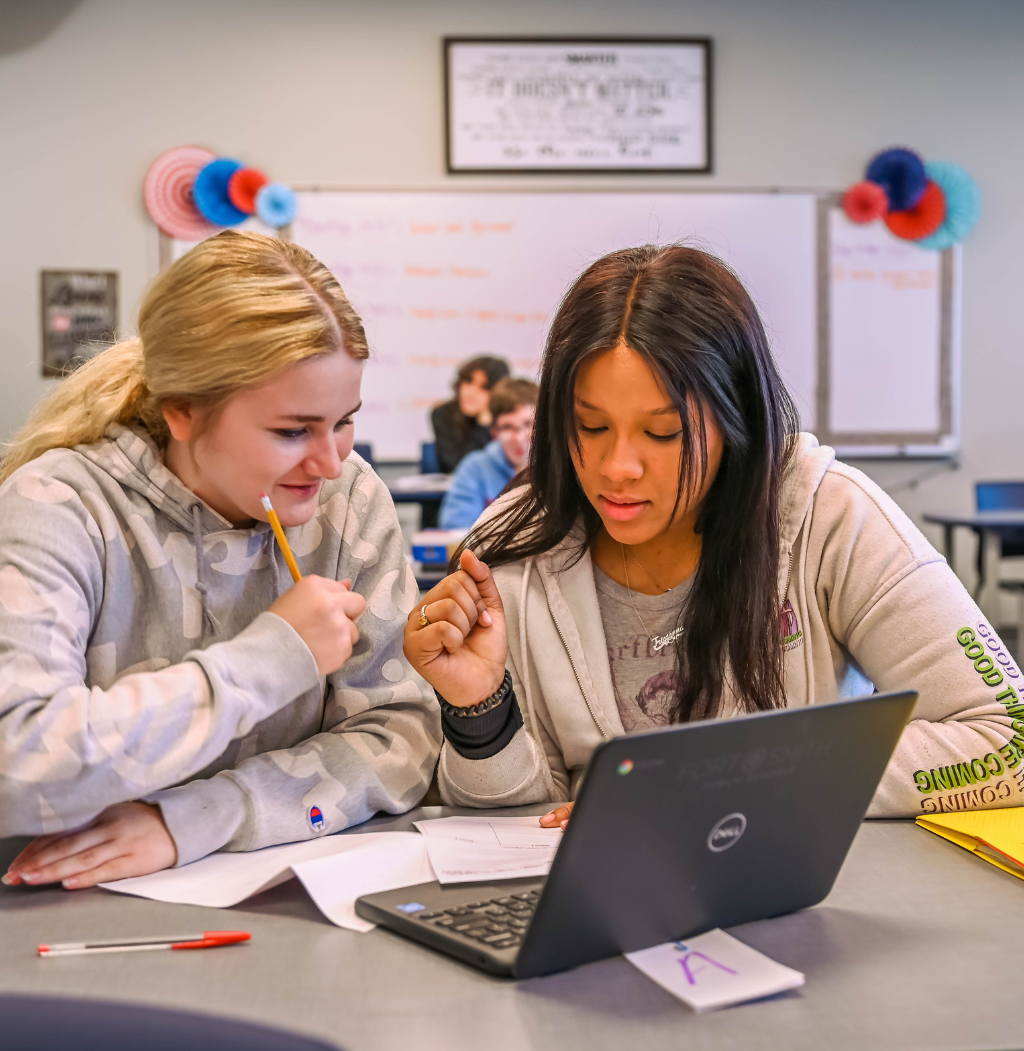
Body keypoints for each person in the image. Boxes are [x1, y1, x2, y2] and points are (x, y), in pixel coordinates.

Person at [403, 244, 1024, 825]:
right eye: (589, 427)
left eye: (664, 433)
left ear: (737, 419)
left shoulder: (829, 517)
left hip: (795, 894)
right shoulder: (515, 542)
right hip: (580, 914)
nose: (618, 467)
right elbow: (499, 824)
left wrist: (729, 785)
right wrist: (478, 710)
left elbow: (1010, 740)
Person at [0, 230, 440, 889]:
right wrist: (274, 657)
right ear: (182, 411)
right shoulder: (61, 503)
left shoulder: (348, 499)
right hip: (74, 906)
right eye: (292, 430)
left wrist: (195, 819)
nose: (330, 462)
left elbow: (401, 741)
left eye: (344, 420)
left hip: (289, 904)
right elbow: (3, 770)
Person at [438, 378, 538, 530]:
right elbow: (455, 529)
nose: (518, 437)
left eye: (528, 424)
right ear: (494, 432)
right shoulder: (474, 468)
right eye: (507, 427)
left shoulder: (560, 467)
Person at [430, 355, 511, 474]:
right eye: (468, 382)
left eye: (484, 387)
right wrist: (483, 424)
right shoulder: (443, 413)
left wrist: (487, 420)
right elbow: (457, 465)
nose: (471, 392)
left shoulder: (506, 415)